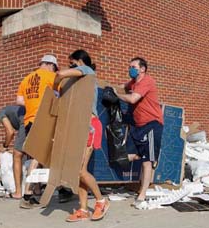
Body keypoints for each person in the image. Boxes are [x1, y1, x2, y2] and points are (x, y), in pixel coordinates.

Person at [60, 50, 109, 222]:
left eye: (71, 62)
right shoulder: (77, 84)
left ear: (80, 61)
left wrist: (57, 77)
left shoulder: (87, 71)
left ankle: (102, 201)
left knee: (80, 170)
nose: (69, 65)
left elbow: (61, 74)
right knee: (79, 171)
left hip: (90, 127)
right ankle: (82, 209)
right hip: (78, 127)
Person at [114, 57, 164, 210]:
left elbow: (133, 98)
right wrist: (107, 87)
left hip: (151, 125)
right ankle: (147, 170)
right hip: (137, 126)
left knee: (146, 161)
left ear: (142, 69)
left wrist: (116, 95)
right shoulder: (133, 83)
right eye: (130, 66)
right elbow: (122, 86)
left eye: (133, 67)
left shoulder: (147, 81)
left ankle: (142, 195)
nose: (131, 69)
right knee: (127, 156)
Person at [15, 54, 61, 206]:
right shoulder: (51, 76)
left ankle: (36, 191)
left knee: (36, 155)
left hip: (29, 120)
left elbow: (19, 100)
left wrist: (33, 104)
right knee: (38, 156)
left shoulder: (27, 78)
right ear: (51, 65)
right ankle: (27, 193)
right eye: (55, 68)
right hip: (43, 119)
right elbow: (62, 95)